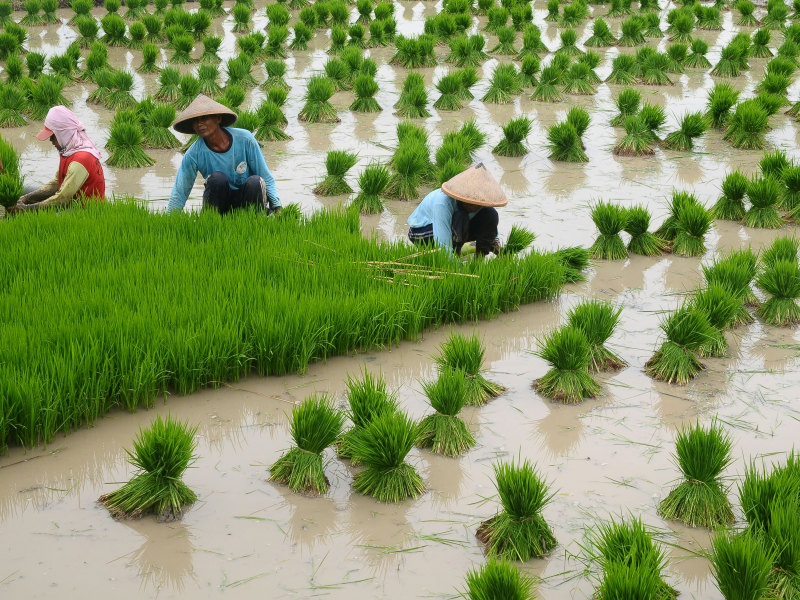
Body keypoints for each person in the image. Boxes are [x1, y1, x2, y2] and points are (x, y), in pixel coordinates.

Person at [167, 94, 281, 215]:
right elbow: (180, 190)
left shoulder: (245, 139)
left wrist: (277, 207)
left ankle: (256, 221)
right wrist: (169, 220)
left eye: (204, 118)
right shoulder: (194, 153)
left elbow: (265, 175)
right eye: (195, 121)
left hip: (247, 200)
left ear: (218, 119)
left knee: (255, 181)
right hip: (219, 203)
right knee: (217, 179)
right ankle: (213, 222)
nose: (199, 124)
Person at [10, 106, 105, 213]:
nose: (50, 140)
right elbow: (57, 184)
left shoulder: (81, 159)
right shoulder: (69, 151)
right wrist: (26, 198)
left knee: (46, 220)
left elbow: (62, 198)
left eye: (53, 136)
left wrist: (26, 209)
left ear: (64, 134)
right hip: (69, 200)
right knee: (20, 190)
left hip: (84, 210)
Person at [407, 163, 507, 256]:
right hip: (421, 232)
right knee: (461, 217)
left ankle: (478, 261)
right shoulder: (442, 202)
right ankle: (455, 253)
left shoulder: (482, 199)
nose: (476, 206)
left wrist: (493, 242)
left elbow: (490, 224)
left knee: (490, 214)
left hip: (455, 227)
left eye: (478, 204)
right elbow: (443, 246)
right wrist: (458, 271)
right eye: (471, 203)